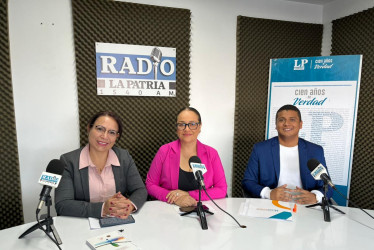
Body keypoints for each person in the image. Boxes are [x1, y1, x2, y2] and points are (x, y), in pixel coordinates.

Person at [55, 111, 147, 219]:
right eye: (99, 129)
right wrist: (103, 208)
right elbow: (63, 204)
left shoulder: (124, 157)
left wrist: (129, 206)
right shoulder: (68, 161)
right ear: (89, 128)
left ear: (116, 136)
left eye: (111, 132)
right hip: (83, 225)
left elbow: (140, 190)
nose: (104, 136)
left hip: (117, 222)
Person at [242, 104, 333, 205]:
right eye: (281, 120)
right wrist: (269, 193)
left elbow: (327, 185)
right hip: (271, 204)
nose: (286, 123)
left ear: (300, 124)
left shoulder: (315, 151)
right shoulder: (260, 149)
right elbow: (248, 181)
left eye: (292, 119)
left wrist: (315, 197)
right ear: (276, 125)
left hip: (306, 207)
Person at [145, 107, 227, 207]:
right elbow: (150, 184)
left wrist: (189, 195)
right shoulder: (164, 151)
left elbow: (222, 189)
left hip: (201, 210)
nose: (187, 129)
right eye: (182, 124)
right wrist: (175, 198)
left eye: (192, 124)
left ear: (200, 126)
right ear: (177, 128)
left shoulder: (211, 153)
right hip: (170, 210)